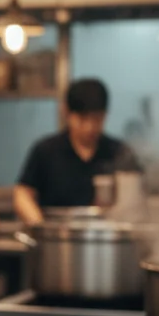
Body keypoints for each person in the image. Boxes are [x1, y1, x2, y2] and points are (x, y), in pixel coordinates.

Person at [13, 78, 141, 223]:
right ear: (66, 112)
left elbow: (136, 200)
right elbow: (23, 194)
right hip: (56, 237)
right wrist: (39, 226)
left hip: (106, 237)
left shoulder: (119, 152)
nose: (90, 127)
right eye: (82, 119)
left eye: (97, 119)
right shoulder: (46, 151)